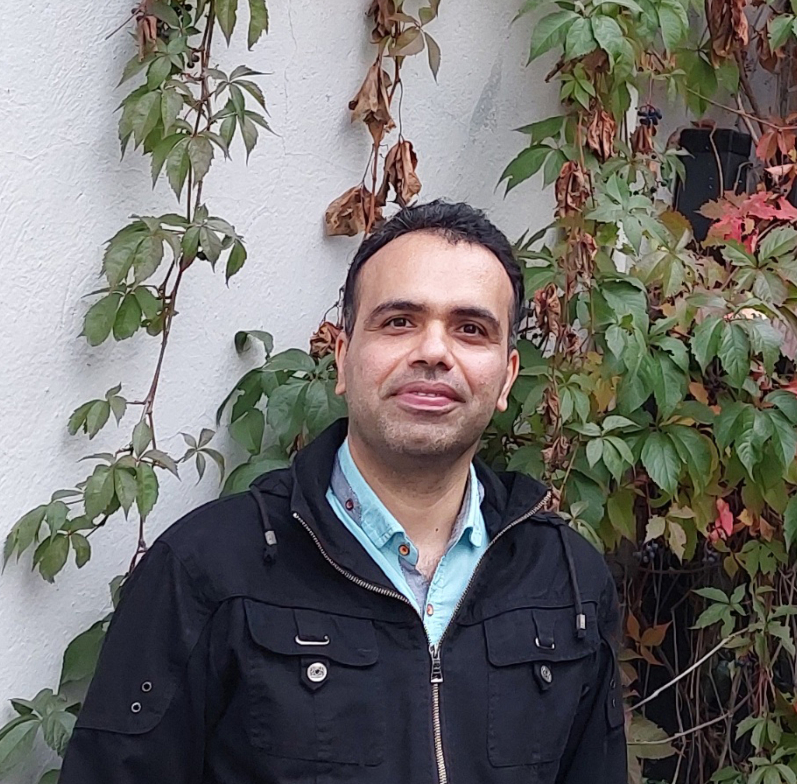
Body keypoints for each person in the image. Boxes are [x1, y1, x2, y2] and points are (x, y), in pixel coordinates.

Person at [60, 200, 626, 784]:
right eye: (399, 321)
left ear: (506, 377)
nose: (434, 352)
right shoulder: (207, 571)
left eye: (470, 329)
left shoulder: (567, 582)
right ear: (342, 358)